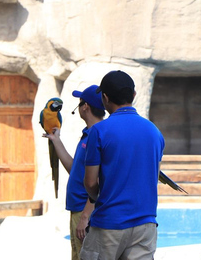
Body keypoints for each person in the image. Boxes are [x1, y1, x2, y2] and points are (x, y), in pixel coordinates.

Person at [81, 71, 165, 260]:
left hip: (109, 225)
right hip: (146, 224)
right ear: (134, 95)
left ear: (105, 98)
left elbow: (90, 182)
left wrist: (96, 196)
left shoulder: (99, 131)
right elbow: (153, 175)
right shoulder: (154, 132)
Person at [43, 85, 105, 260]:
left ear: (85, 107)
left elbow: (100, 181)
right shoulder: (87, 135)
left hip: (86, 211)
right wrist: (56, 141)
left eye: (80, 103)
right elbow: (76, 171)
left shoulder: (98, 135)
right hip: (77, 209)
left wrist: (86, 215)